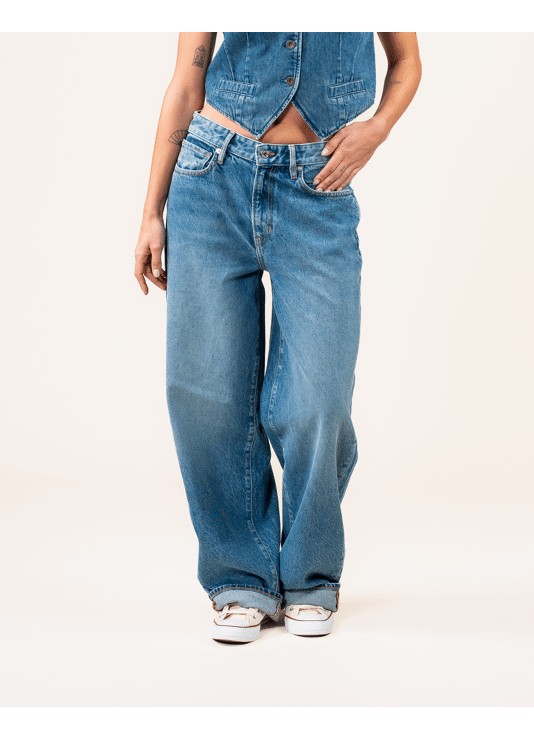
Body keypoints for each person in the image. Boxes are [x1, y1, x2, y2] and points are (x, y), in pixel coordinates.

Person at [135, 32, 422, 643]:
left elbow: (407, 60)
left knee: (319, 398)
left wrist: (377, 129)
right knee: (206, 394)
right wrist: (151, 211)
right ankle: (240, 577)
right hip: (211, 178)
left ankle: (311, 575)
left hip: (318, 187)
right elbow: (186, 82)